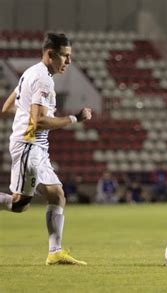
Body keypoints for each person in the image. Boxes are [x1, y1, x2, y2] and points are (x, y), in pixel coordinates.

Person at [0, 32, 92, 265]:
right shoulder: (43, 79)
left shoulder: (31, 72)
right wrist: (74, 118)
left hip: (37, 147)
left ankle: (55, 252)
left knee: (57, 195)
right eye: (65, 56)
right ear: (50, 54)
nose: (69, 62)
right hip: (29, 146)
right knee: (20, 203)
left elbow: (8, 106)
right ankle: (55, 251)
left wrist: (27, 114)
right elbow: (39, 122)